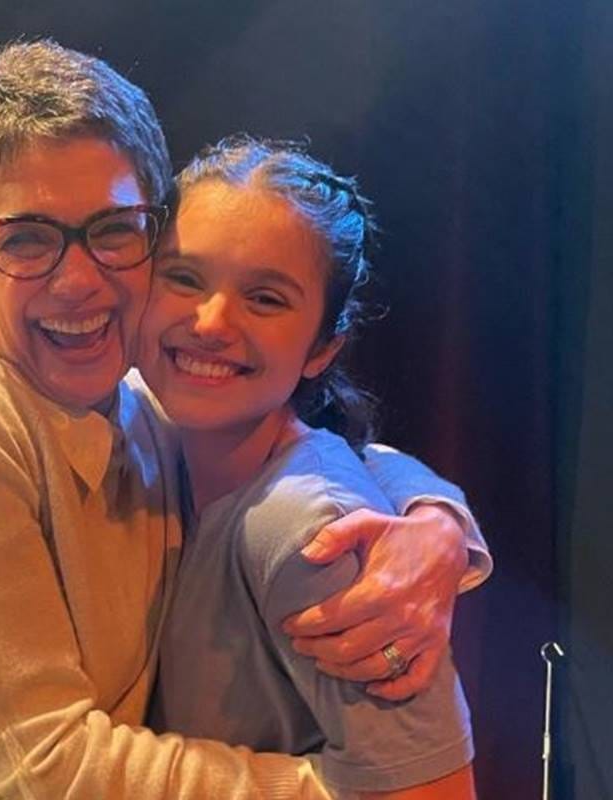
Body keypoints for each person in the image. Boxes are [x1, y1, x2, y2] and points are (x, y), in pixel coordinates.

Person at [0, 40, 490, 798]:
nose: (77, 280)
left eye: (113, 230)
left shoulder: (144, 409)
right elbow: (37, 774)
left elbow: (322, 452)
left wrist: (436, 525)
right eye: (26, 239)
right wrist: (331, 792)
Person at [143, 137, 476, 798]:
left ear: (323, 348)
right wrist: (441, 514)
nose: (211, 322)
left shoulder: (308, 529)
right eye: (184, 277)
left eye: (265, 298)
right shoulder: (145, 431)